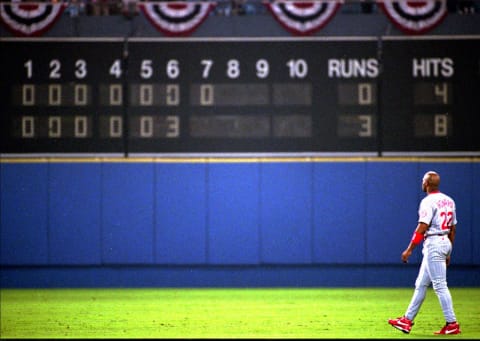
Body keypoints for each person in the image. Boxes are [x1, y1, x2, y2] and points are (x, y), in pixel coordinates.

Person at [388, 171, 461, 335]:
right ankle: (406, 320)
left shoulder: (428, 201)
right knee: (421, 284)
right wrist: (449, 251)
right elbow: (453, 229)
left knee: (440, 286)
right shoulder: (449, 200)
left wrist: (409, 249)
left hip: (434, 243)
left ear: (427, 183)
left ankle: (452, 323)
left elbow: (422, 227)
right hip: (444, 241)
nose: (422, 183)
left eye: (423, 181)